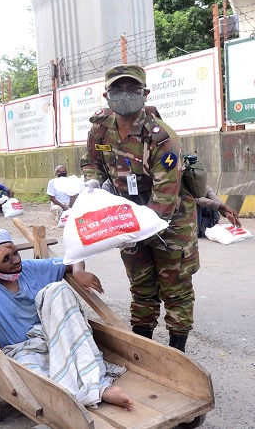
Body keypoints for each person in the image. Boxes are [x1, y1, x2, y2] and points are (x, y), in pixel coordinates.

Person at [79, 64, 199, 352]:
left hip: (170, 221)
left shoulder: (161, 138)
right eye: (118, 90)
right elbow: (91, 162)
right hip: (130, 215)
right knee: (141, 285)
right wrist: (93, 184)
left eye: (132, 89)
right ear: (106, 95)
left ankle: (176, 351)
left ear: (145, 93)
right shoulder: (100, 129)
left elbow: (165, 197)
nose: (124, 96)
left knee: (175, 289)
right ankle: (144, 346)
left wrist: (136, 230)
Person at [0, 228, 133, 411]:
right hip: (22, 351)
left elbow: (73, 258)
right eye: (5, 259)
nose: (15, 260)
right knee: (41, 383)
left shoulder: (31, 268)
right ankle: (98, 391)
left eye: (15, 253)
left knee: (58, 290)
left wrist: (78, 271)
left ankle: (98, 387)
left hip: (56, 339)